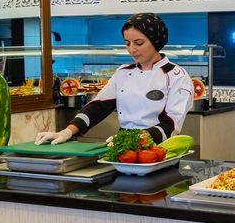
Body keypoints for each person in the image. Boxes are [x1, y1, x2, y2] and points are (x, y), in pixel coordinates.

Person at [35, 13, 194, 145]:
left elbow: (171, 125)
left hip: (159, 148)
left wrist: (136, 139)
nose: (132, 49)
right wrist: (67, 131)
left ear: (156, 41)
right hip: (123, 146)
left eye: (139, 43)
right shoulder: (123, 72)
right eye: (127, 43)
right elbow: (98, 107)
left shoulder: (176, 76)